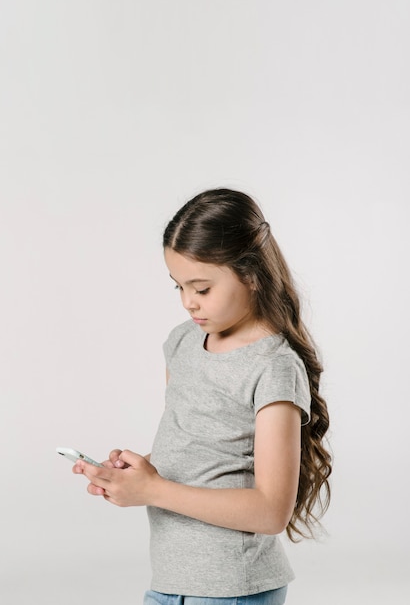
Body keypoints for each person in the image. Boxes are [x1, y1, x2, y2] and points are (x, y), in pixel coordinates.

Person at [72, 188, 332, 604]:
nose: (188, 303)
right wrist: (135, 476)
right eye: (178, 287)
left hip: (232, 588)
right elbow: (198, 449)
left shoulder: (273, 367)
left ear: (251, 274)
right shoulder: (182, 343)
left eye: (202, 288)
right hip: (170, 581)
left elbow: (270, 511)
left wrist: (153, 491)